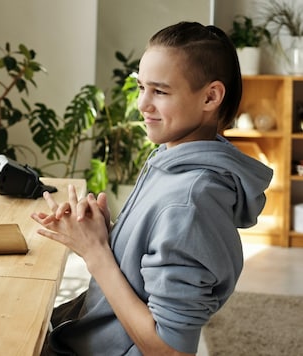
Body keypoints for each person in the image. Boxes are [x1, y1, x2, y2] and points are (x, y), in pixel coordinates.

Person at [31, 21, 273, 355]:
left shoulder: (192, 203)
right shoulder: (172, 157)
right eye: (141, 87)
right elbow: (156, 260)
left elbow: (169, 350)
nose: (143, 104)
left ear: (210, 96)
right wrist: (104, 235)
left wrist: (96, 254)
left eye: (159, 91)